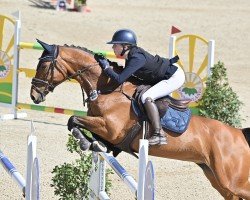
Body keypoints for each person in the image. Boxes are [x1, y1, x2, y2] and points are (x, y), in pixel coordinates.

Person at [95, 29, 185, 145]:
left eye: (115, 45)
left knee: (146, 97)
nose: (113, 48)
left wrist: (106, 67)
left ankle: (159, 134)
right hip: (163, 74)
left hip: (173, 77)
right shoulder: (130, 56)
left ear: (125, 46)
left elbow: (119, 79)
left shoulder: (137, 58)